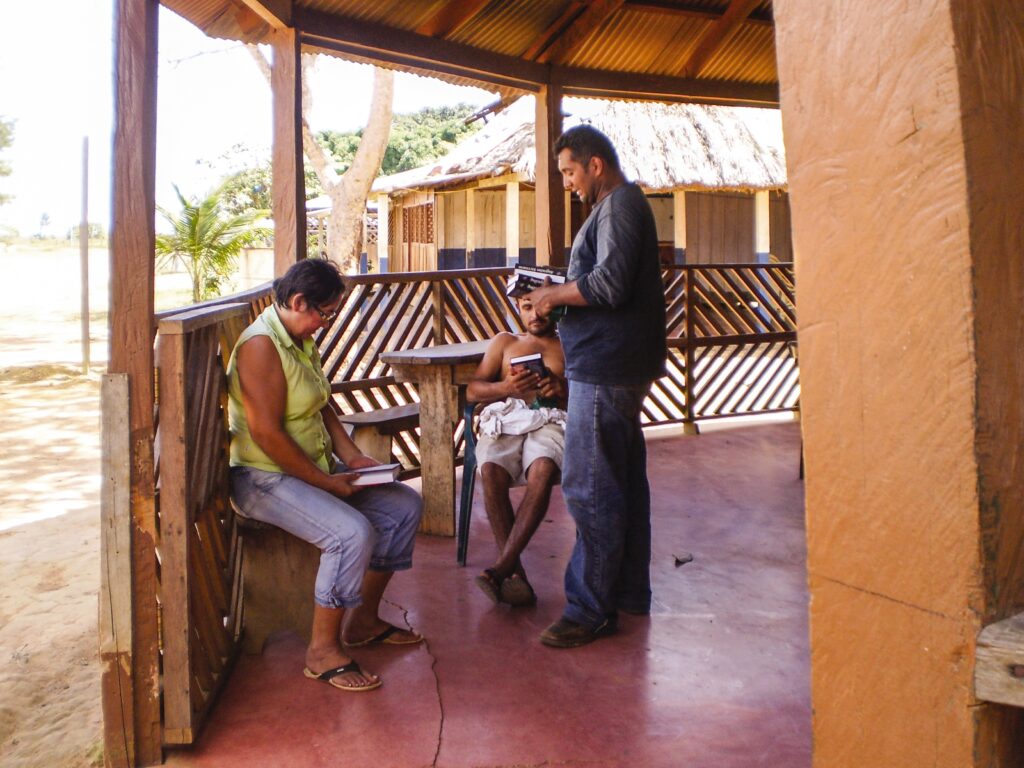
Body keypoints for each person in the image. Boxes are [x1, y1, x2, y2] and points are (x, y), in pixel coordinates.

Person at [227, 259, 424, 692]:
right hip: (263, 478)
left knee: (404, 505)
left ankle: (364, 622)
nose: (326, 322)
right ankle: (321, 651)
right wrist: (327, 482)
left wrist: (352, 458)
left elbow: (322, 404)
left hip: (307, 469)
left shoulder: (298, 339)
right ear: (299, 302)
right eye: (326, 312)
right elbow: (266, 435)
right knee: (350, 533)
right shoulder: (261, 346)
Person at [526, 124, 667, 648]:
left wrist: (553, 294)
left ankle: (590, 608)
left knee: (589, 486)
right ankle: (627, 592)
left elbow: (610, 283)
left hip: (607, 368)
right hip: (612, 363)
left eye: (568, 171)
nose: (566, 182)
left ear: (595, 165)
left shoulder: (621, 206)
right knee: (621, 482)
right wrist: (551, 304)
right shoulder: (613, 210)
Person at [465, 295, 568, 607]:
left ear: (559, 307)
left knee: (543, 468)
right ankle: (514, 573)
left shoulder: (569, 346)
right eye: (526, 307)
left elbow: (585, 395)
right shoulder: (505, 342)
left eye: (543, 307)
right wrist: (505, 388)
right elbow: (473, 390)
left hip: (551, 419)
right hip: (507, 417)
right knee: (491, 471)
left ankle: (501, 569)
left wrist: (562, 389)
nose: (535, 315)